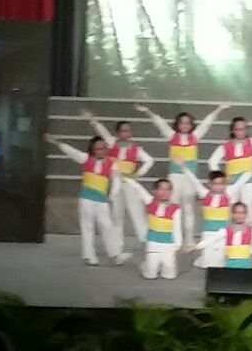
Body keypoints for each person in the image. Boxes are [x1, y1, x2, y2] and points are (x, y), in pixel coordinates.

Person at [135, 102, 229, 244]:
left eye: (187, 123)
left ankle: (189, 241)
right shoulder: (172, 136)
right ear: (177, 124)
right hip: (174, 177)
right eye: (182, 123)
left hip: (190, 178)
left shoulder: (195, 137)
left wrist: (218, 109)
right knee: (174, 209)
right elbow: (160, 123)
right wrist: (148, 111)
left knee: (188, 210)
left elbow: (206, 124)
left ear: (191, 125)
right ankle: (175, 240)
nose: (184, 125)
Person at [44, 133, 132, 266]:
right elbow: (71, 151)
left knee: (107, 226)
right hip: (86, 199)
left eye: (103, 148)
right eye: (98, 149)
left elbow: (116, 180)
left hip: (101, 200)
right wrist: (57, 142)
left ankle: (115, 254)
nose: (101, 151)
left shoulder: (111, 163)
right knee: (87, 227)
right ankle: (89, 256)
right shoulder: (86, 159)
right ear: (93, 150)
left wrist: (112, 195)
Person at [80, 109, 154, 243]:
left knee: (137, 212)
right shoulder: (111, 143)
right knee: (116, 215)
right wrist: (92, 119)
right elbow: (101, 130)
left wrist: (137, 174)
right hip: (116, 184)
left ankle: (146, 240)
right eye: (122, 131)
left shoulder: (136, 148)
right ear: (117, 133)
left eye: (128, 131)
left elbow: (149, 160)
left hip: (130, 184)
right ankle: (117, 244)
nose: (125, 133)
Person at [113, 175, 183, 280]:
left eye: (168, 189)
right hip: (153, 243)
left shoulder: (176, 208)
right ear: (155, 191)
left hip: (168, 244)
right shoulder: (150, 202)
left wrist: (178, 244)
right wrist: (126, 178)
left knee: (169, 275)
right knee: (150, 275)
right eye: (161, 189)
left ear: (171, 192)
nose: (164, 192)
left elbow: (177, 227)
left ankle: (160, 264)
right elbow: (139, 188)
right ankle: (147, 265)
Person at [185, 167, 252, 269]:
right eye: (215, 183)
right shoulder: (204, 194)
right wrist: (184, 167)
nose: (218, 186)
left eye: (221, 184)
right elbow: (194, 181)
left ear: (225, 184)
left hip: (222, 233)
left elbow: (241, 182)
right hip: (208, 232)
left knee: (220, 261)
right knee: (207, 261)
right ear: (209, 184)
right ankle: (203, 260)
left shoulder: (229, 193)